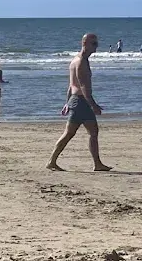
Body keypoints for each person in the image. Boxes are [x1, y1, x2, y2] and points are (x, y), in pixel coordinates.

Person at [47, 33, 111, 172]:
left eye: (97, 44)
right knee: (91, 132)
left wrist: (67, 102)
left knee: (72, 133)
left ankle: (52, 161)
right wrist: (93, 105)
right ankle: (97, 164)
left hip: (76, 101)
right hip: (82, 102)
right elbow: (83, 87)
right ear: (85, 44)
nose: (96, 47)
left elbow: (71, 86)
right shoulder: (81, 61)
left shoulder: (75, 60)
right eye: (93, 44)